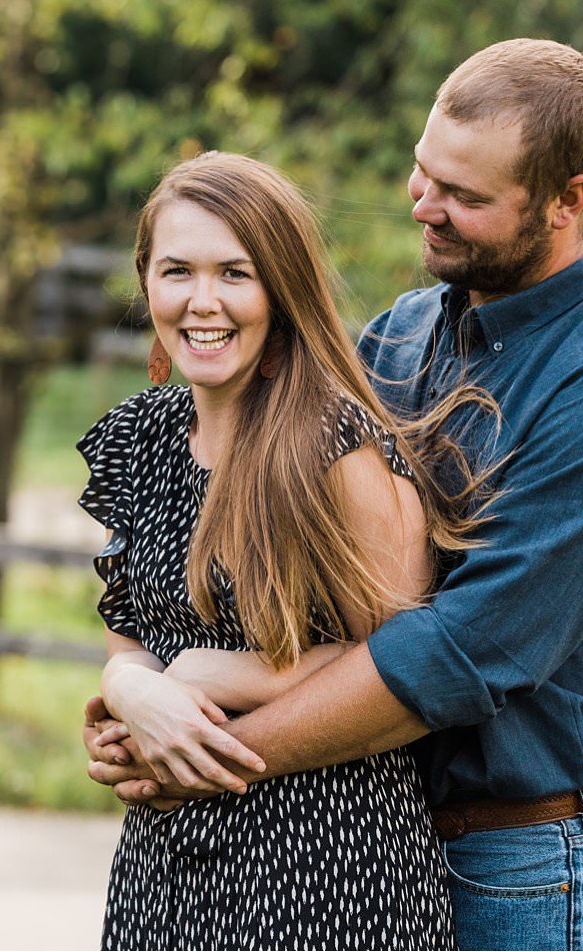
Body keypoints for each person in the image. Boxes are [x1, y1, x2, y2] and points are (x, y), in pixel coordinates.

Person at [86, 39, 583, 951]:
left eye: (466, 196)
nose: (424, 205)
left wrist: (202, 756)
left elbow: (453, 651)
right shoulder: (408, 332)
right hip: (372, 822)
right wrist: (136, 692)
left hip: (521, 858)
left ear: (569, 200)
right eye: (424, 172)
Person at [77, 151, 499, 950]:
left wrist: (209, 676)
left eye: (235, 273)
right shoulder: (139, 439)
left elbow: (405, 664)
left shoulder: (336, 447)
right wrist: (130, 694)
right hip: (167, 868)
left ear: (281, 289)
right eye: (177, 271)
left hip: (327, 864)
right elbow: (129, 638)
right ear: (146, 283)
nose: (204, 301)